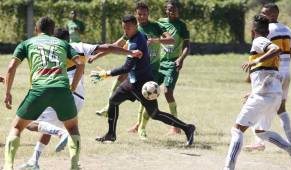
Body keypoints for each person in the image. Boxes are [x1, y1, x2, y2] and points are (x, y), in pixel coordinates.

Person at [17, 28, 143, 170]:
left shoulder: (53, 50)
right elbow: (108, 47)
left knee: (30, 123)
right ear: (68, 39)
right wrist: (130, 52)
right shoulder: (79, 47)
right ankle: (53, 162)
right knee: (63, 128)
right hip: (79, 99)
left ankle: (59, 135)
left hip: (63, 94)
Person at [91, 15, 195, 146]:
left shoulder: (136, 43)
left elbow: (126, 67)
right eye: (124, 28)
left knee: (155, 114)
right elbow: (118, 48)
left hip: (143, 83)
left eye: (128, 28)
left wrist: (105, 73)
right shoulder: (138, 35)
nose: (125, 31)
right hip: (131, 82)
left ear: (135, 26)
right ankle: (111, 134)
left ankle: (187, 128)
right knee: (113, 101)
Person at [3, 17, 84, 170]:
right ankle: (74, 165)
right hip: (61, 89)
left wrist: (7, 93)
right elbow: (80, 63)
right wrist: (72, 87)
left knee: (17, 127)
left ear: (36, 29)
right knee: (72, 128)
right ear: (52, 31)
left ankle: (8, 166)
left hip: (39, 89)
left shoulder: (26, 44)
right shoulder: (63, 43)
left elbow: (11, 68)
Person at [223, 15, 291, 170]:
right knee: (261, 131)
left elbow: (275, 49)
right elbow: (267, 72)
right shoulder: (264, 42)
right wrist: (252, 92)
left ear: (253, 31)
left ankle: (228, 168)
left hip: (264, 95)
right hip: (273, 94)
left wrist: (254, 61)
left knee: (237, 130)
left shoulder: (259, 41)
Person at [93, 1, 175, 140]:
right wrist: (96, 56)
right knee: (120, 81)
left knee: (148, 98)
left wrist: (155, 41)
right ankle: (109, 108)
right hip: (134, 67)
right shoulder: (132, 28)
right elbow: (115, 45)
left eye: (144, 14)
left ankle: (141, 128)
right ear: (136, 15)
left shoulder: (155, 26)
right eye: (139, 14)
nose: (142, 16)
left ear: (148, 14)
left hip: (151, 69)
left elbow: (171, 40)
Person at [244, 3, 291, 151]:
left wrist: (253, 68)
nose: (262, 15)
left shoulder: (267, 30)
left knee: (257, 105)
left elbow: (263, 52)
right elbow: (289, 52)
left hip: (272, 73)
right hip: (286, 71)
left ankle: (259, 142)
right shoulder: (287, 29)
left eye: (265, 13)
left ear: (273, 14)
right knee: (282, 109)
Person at [157, 0, 190, 134]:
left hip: (172, 63)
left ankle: (176, 126)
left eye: (175, 9)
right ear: (166, 10)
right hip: (159, 62)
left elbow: (187, 46)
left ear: (178, 10)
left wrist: (181, 59)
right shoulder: (160, 22)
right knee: (148, 91)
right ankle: (139, 125)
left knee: (167, 92)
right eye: (170, 9)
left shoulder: (182, 26)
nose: (172, 12)